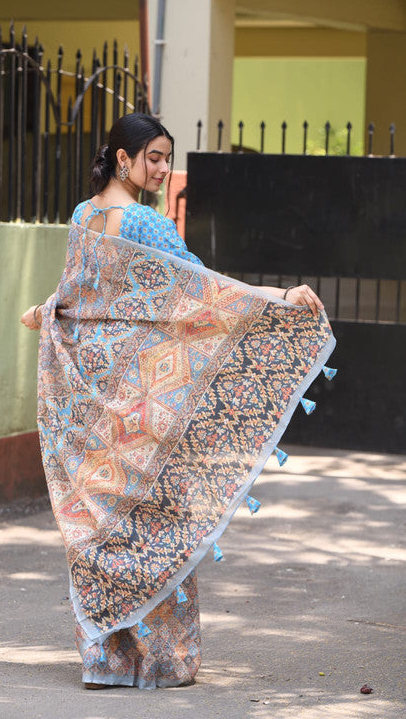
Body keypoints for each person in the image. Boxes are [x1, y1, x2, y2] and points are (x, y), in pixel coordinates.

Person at [21, 113, 333, 690]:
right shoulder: (146, 224)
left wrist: (45, 313)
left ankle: (107, 662)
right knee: (157, 517)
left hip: (94, 401)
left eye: (168, 158)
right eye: (155, 158)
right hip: (145, 399)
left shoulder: (83, 217)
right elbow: (210, 292)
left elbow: (78, 297)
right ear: (123, 158)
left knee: (104, 521)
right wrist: (281, 298)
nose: (164, 170)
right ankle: (164, 662)